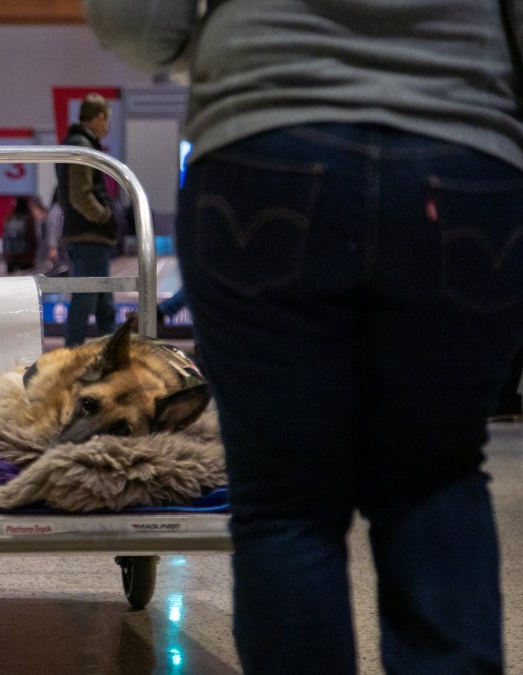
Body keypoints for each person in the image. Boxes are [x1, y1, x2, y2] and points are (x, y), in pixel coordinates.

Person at [86, 1, 523, 673]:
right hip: (461, 154)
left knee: (285, 502)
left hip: (263, 149)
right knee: (435, 477)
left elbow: (139, 21)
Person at [57, 94, 117, 346]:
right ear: (100, 117)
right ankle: (70, 357)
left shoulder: (81, 143)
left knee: (104, 302)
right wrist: (104, 215)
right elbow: (81, 195)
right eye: (107, 119)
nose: (108, 126)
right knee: (86, 300)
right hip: (88, 234)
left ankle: (113, 354)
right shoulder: (81, 146)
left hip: (89, 236)